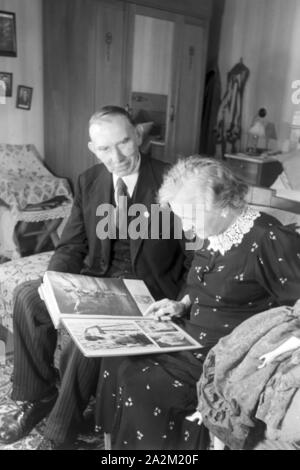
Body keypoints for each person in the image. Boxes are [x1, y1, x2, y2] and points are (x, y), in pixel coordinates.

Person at [0, 106, 190, 448]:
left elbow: (194, 252)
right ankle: (37, 396)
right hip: (99, 279)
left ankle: (60, 432)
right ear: (93, 148)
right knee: (29, 296)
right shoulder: (90, 181)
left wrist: (183, 299)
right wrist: (53, 284)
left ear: (138, 137)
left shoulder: (171, 181)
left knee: (83, 332)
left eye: (124, 144)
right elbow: (72, 243)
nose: (116, 157)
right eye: (105, 149)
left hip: (146, 289)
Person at [94, 156, 300, 450]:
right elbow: (203, 284)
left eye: (190, 216)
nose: (185, 226)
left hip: (220, 353)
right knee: (114, 357)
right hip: (187, 331)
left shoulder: (267, 238)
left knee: (140, 380)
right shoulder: (211, 232)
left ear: (223, 202)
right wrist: (181, 304)